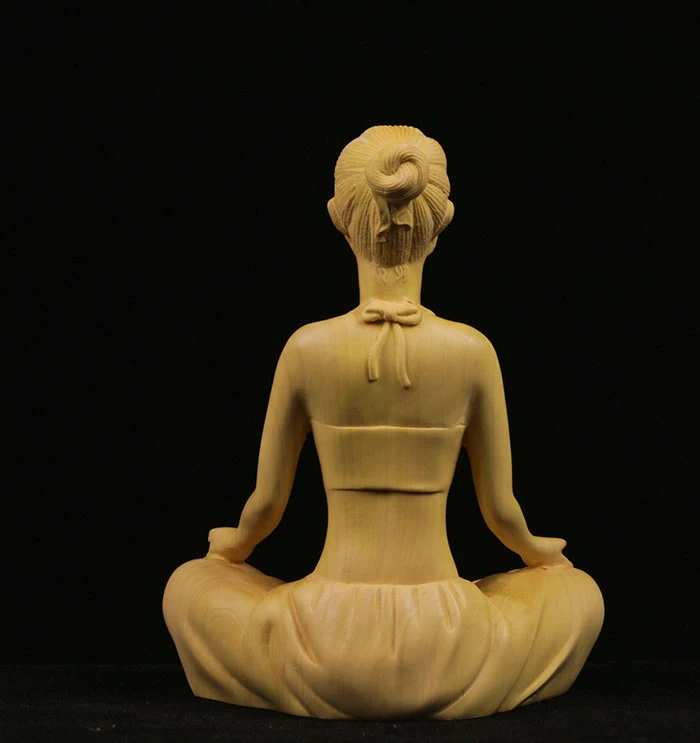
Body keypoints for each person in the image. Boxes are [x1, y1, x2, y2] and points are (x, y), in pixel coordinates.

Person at [163, 125, 604, 719]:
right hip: (449, 642)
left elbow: (265, 506)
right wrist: (539, 554)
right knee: (577, 593)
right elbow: (502, 513)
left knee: (190, 586)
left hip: (320, 638)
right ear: (441, 222)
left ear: (338, 219)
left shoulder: (306, 348)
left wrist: (230, 546)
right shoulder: (472, 351)